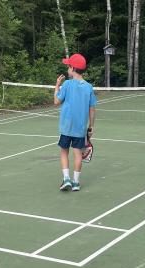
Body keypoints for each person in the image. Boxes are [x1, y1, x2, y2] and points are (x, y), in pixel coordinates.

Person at [54, 54, 97, 192]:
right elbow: (92, 109)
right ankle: (76, 182)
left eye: (68, 66)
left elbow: (56, 101)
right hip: (80, 128)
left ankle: (66, 179)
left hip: (66, 127)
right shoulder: (89, 87)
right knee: (78, 154)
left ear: (73, 68)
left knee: (63, 152)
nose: (67, 69)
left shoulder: (66, 84)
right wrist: (91, 126)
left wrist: (57, 86)